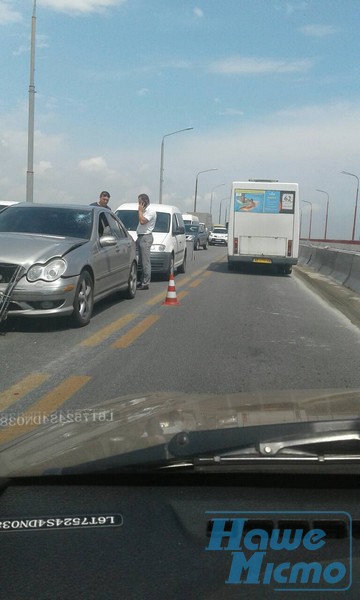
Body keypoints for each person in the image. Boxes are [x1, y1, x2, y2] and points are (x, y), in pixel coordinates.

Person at [136, 193, 156, 290]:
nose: (138, 204)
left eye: (140, 202)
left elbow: (142, 221)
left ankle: (146, 282)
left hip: (146, 237)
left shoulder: (151, 211)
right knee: (140, 261)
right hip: (140, 236)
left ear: (143, 202)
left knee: (145, 262)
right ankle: (141, 280)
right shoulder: (144, 211)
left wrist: (140, 211)